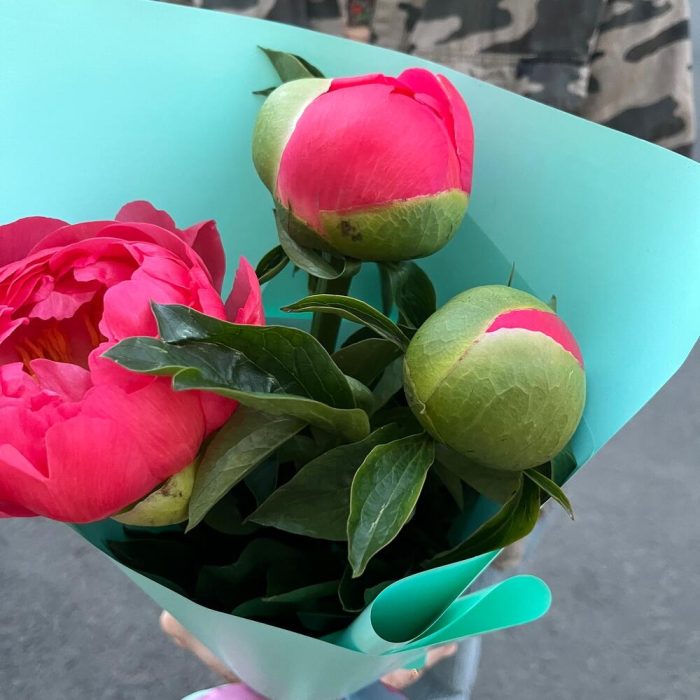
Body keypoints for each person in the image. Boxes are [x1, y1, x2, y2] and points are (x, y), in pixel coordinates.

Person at [159, 1, 695, 696]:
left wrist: (486, 545)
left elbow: (659, 224)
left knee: (418, 678)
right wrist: (148, 491)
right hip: (230, 487)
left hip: (466, 483)